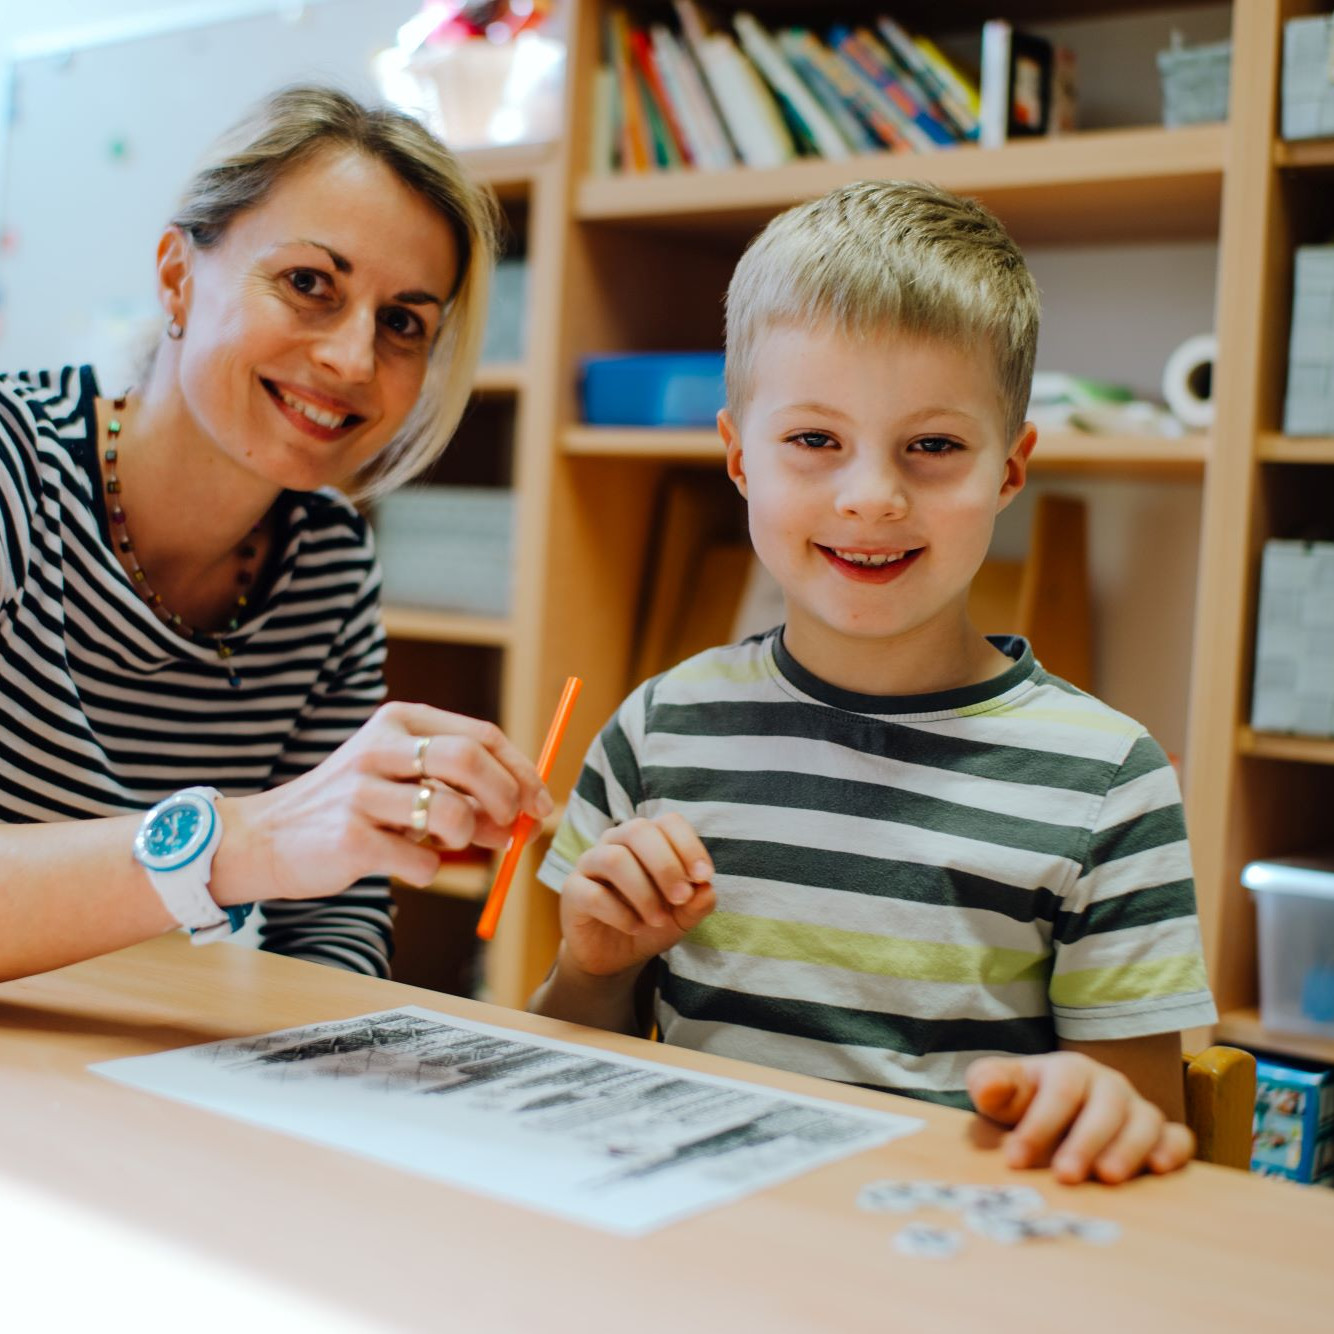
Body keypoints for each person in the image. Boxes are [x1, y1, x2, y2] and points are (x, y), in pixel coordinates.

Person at [530, 180, 1218, 1186]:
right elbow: (570, 1053)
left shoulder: (1108, 780)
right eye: (813, 440)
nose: (869, 497)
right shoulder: (656, 732)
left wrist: (1102, 1109)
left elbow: (1143, 1126)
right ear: (736, 456)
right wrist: (593, 963)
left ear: (1008, 470)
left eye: (932, 446)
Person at [0, 85, 551, 983]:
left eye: (403, 323)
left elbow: (334, 931)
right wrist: (245, 839)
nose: (352, 359)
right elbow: (274, 852)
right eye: (308, 284)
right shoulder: (15, 472)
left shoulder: (327, 560)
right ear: (179, 274)